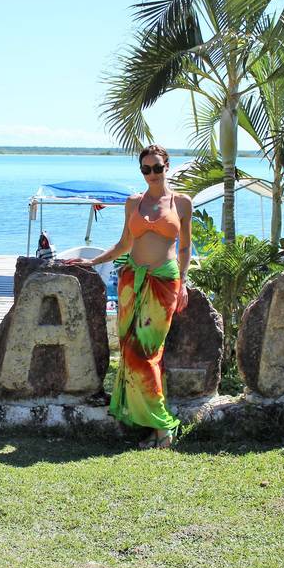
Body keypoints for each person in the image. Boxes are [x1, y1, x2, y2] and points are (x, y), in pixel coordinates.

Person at [65, 144, 193, 449]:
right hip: (130, 280)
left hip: (163, 283)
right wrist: (92, 262)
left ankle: (163, 427)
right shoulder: (133, 202)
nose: (152, 174)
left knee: (146, 353)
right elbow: (124, 243)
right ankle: (147, 424)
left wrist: (185, 282)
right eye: (146, 169)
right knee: (129, 351)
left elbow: (186, 248)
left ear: (167, 166)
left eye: (157, 168)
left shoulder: (182, 202)